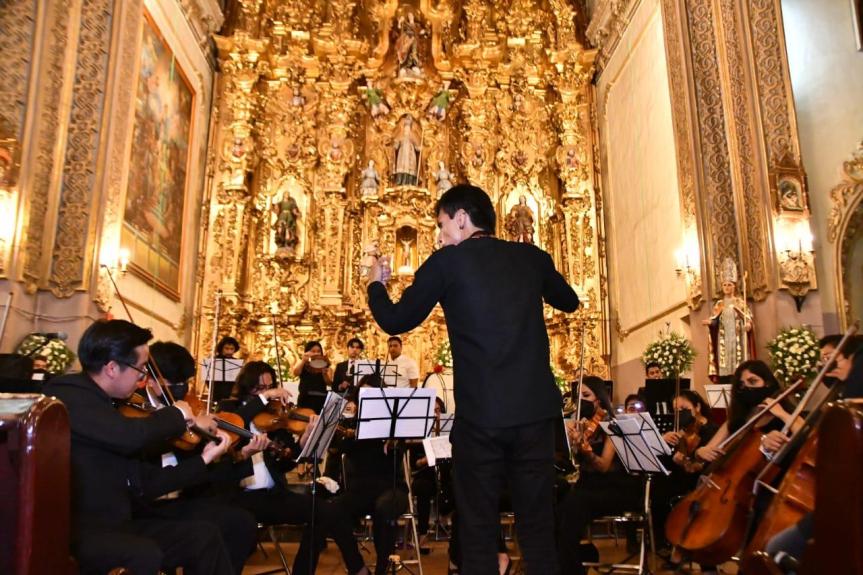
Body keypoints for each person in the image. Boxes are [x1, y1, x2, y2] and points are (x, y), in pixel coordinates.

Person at [366, 184, 579, 574]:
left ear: (461, 218)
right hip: (535, 415)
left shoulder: (446, 263)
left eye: (442, 224)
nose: (440, 234)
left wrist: (376, 283)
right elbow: (569, 301)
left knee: (478, 528)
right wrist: (530, 262)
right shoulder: (531, 257)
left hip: (481, 418)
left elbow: (395, 320)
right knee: (537, 527)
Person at [43, 319, 246, 575]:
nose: (142, 377)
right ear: (112, 368)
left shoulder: (109, 405)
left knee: (202, 536)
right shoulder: (68, 394)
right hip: (80, 529)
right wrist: (176, 414)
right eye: (140, 368)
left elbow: (144, 482)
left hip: (118, 522)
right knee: (143, 554)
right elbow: (129, 436)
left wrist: (204, 459)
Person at [223, 361, 371, 575]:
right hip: (241, 497)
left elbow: (286, 462)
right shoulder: (231, 410)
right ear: (248, 387)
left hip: (272, 495)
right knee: (322, 512)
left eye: (270, 386)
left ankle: (347, 568)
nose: (269, 393)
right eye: (261, 388)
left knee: (324, 510)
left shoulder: (275, 418)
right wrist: (263, 398)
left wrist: (304, 439)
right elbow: (237, 423)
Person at [558, 377, 641, 574]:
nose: (582, 401)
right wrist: (571, 445)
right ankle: (581, 554)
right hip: (588, 486)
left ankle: (572, 567)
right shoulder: (582, 425)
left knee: (574, 504)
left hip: (613, 487)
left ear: (599, 399)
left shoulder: (612, 425)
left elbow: (603, 466)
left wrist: (586, 452)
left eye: (586, 396)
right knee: (559, 505)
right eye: (578, 397)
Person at [332, 374, 409, 574]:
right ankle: (357, 566)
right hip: (361, 490)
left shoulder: (394, 423)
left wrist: (392, 440)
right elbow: (341, 448)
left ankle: (382, 568)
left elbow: (399, 453)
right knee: (333, 511)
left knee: (383, 508)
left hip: (392, 488)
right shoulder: (352, 423)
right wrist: (350, 422)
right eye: (364, 393)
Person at [695, 359, 799, 463]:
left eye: (753, 381)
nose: (747, 388)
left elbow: (808, 436)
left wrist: (782, 414)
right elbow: (707, 450)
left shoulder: (785, 414)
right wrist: (700, 452)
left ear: (767, 382)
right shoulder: (738, 417)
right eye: (742, 385)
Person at [703, 258, 756, 380]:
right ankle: (726, 378)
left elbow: (747, 317)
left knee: (739, 360)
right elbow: (715, 320)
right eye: (724, 285)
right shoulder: (719, 304)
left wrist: (748, 324)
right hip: (724, 338)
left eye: (729, 285)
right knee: (725, 360)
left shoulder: (739, 301)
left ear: (734, 286)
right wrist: (710, 322)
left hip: (738, 336)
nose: (727, 287)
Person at [293, 340, 333, 413]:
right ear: (307, 352)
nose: (316, 353)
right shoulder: (304, 363)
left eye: (318, 351)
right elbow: (296, 373)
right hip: (305, 398)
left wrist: (324, 374)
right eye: (313, 351)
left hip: (321, 398)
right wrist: (303, 360)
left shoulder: (325, 363)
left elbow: (329, 383)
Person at [393, 115, 421, 186]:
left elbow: (416, 147)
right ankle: (400, 180)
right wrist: (395, 143)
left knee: (410, 168)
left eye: (408, 128)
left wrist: (419, 148)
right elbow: (396, 146)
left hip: (411, 155)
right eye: (406, 128)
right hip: (402, 154)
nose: (407, 130)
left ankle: (410, 182)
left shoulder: (412, 137)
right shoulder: (401, 136)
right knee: (402, 167)